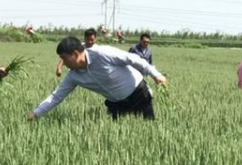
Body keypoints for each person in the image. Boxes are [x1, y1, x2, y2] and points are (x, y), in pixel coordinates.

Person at [27, 36, 167, 121]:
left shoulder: (102, 53)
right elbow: (56, 96)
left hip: (139, 95)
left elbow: (133, 59)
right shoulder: (73, 76)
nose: (63, 63)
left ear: (75, 54)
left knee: (147, 130)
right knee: (117, 139)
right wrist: (36, 113)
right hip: (116, 104)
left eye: (64, 59)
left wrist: (156, 74)